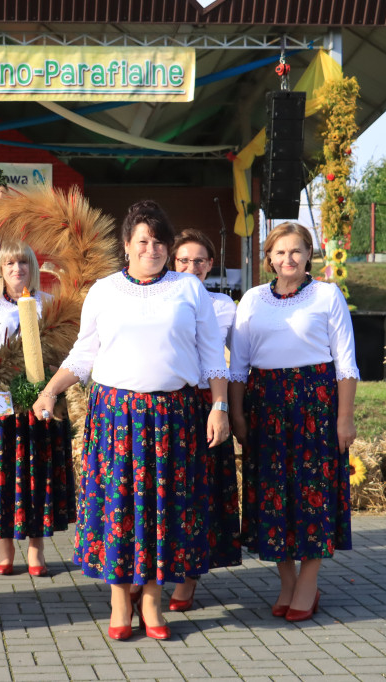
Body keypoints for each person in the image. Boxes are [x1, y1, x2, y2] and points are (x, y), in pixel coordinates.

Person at [32, 200, 230, 641]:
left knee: (166, 510)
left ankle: (153, 601)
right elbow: (84, 354)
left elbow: (213, 355)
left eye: (160, 241)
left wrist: (219, 407)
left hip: (173, 416)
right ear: (126, 245)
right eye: (143, 240)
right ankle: (120, 598)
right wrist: (50, 391)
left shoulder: (189, 290)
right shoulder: (103, 290)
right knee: (119, 509)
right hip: (117, 417)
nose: (152, 249)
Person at [229, 222, 358, 622]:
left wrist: (345, 418)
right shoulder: (251, 299)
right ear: (268, 257)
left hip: (315, 408)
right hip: (264, 408)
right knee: (271, 497)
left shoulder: (326, 294)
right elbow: (237, 367)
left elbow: (346, 363)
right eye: (280, 252)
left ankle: (308, 582)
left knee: (312, 495)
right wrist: (236, 414)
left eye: (297, 251)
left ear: (309, 256)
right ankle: (287, 581)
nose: (288, 259)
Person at [0, 242, 76, 576]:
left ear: (32, 267)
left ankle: (36, 550)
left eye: (23, 263)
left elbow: (67, 352)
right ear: (0, 270)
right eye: (9, 264)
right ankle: (5, 550)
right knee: (3, 475)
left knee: (38, 476)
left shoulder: (51, 305)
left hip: (41, 404)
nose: (17, 269)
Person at [165, 229, 242, 611]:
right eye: (183, 260)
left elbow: (238, 361)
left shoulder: (222, 304)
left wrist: (227, 407)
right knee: (166, 493)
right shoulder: (160, 299)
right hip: (168, 404)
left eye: (199, 260)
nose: (191, 267)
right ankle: (155, 571)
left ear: (210, 265)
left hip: (208, 403)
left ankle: (189, 579)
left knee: (201, 493)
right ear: (171, 263)